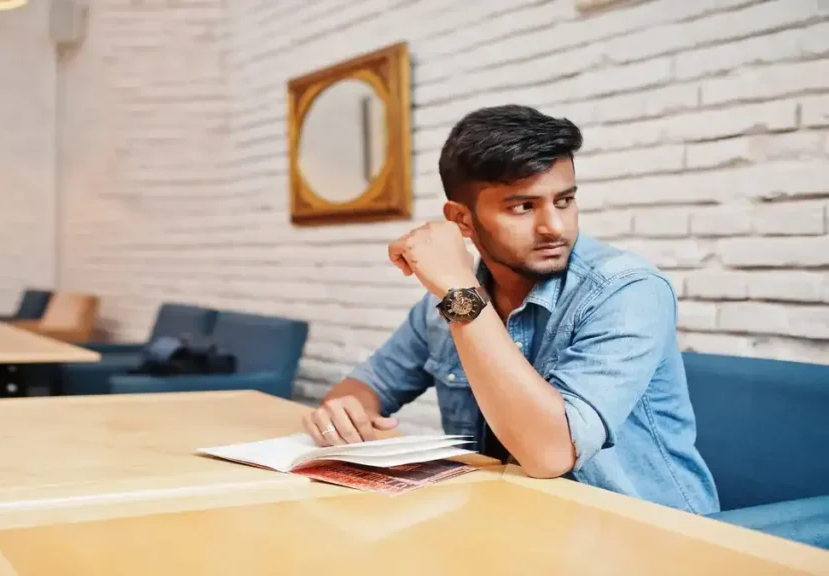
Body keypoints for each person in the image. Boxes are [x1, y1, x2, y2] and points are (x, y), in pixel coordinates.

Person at [301, 104, 720, 515]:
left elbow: (549, 453)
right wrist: (345, 414)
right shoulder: (447, 302)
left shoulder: (626, 292)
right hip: (516, 522)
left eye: (565, 201)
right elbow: (362, 389)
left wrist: (460, 290)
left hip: (646, 534)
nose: (554, 227)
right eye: (523, 207)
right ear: (462, 221)